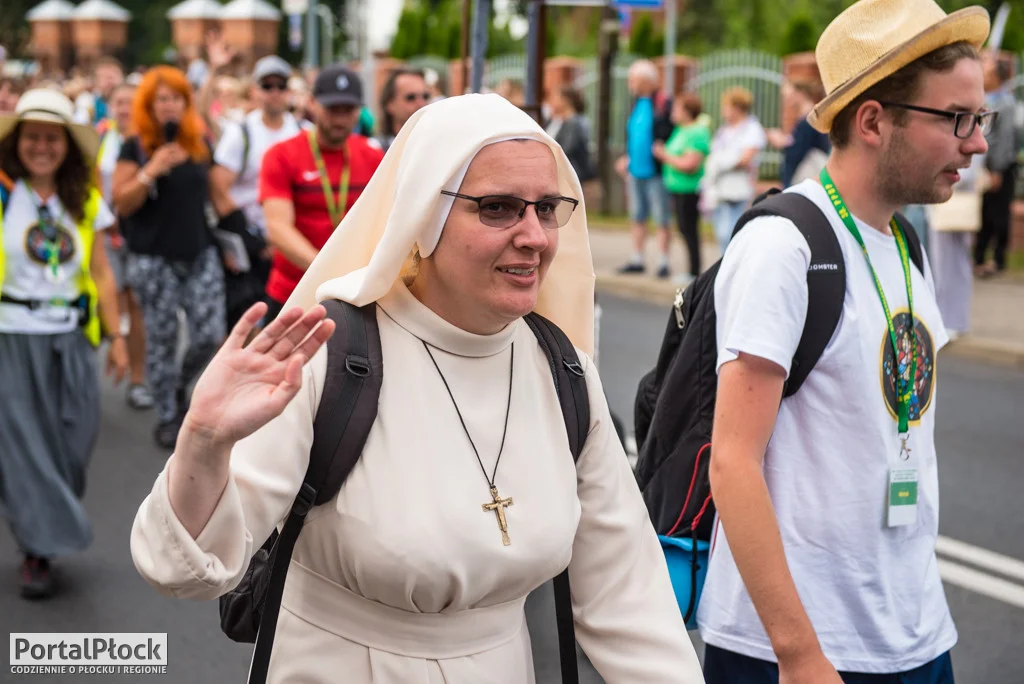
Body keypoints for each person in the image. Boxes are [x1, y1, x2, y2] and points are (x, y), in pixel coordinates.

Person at [129, 93, 705, 684]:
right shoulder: (329, 351)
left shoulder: (563, 371)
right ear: (423, 216)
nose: (535, 236)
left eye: (548, 207)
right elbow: (183, 569)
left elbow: (627, 594)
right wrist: (203, 443)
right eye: (499, 208)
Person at [698, 1, 992, 682]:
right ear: (872, 121)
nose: (976, 143)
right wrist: (799, 656)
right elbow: (732, 462)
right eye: (957, 119)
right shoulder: (783, 247)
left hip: (915, 635)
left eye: (981, 120)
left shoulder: (905, 242)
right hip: (800, 651)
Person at [0, 89, 128, 599]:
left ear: (67, 147)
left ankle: (45, 523)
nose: (42, 147)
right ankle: (37, 549)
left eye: (52, 138)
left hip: (71, 339)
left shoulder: (85, 202)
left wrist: (116, 338)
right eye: (32, 136)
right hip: (12, 337)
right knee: (24, 446)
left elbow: (101, 270)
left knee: (74, 441)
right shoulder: (5, 195)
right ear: (17, 143)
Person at [111, 66, 227, 450]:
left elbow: (215, 195)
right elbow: (121, 203)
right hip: (154, 259)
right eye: (162, 99)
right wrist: (151, 171)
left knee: (210, 335)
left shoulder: (197, 144)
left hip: (199, 252)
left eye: (177, 98)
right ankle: (167, 414)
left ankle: (178, 385)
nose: (170, 106)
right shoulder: (135, 146)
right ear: (149, 104)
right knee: (161, 339)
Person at [260, 64, 384, 322]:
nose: (339, 119)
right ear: (312, 104)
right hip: (293, 292)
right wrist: (325, 270)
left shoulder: (372, 156)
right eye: (332, 110)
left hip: (352, 293)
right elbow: (278, 228)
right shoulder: (281, 155)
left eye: (347, 110)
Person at [210, 56, 301, 329]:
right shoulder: (242, 133)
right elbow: (217, 187)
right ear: (254, 91)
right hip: (251, 246)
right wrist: (252, 240)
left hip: (290, 245)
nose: (274, 92)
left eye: (280, 86)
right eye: (267, 85)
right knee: (247, 326)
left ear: (288, 91)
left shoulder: (301, 131)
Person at [97, 81, 153, 409]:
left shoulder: (146, 142)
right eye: (119, 101)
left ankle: (137, 379)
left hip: (136, 234)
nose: (124, 108)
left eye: (130, 102)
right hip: (104, 234)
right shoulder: (101, 136)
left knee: (136, 304)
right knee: (108, 296)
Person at [617, 59, 674, 278]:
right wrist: (626, 157)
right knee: (637, 216)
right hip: (635, 171)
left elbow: (670, 132)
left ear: (646, 80)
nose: (630, 83)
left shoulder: (662, 102)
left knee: (661, 217)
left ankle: (663, 261)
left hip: (656, 171)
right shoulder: (635, 103)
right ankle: (638, 258)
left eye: (633, 79)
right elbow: (633, 134)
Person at [653, 92, 711, 285]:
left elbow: (690, 164)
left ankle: (694, 272)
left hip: (690, 190)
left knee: (690, 230)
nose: (673, 112)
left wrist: (664, 155)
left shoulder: (697, 132)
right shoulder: (680, 130)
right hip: (677, 189)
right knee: (683, 229)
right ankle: (691, 270)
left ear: (687, 112)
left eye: (677, 108)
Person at [701, 86, 766, 254]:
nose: (723, 111)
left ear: (737, 108)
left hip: (738, 189)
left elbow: (746, 159)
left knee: (733, 233)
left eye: (726, 106)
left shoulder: (752, 129)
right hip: (720, 189)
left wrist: (722, 162)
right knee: (721, 234)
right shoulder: (724, 130)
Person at [974, 51, 1018, 277]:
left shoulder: (1005, 103)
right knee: (986, 213)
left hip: (999, 168)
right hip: (988, 166)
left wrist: (997, 169)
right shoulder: (989, 99)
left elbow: (1004, 140)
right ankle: (980, 258)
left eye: (988, 69)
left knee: (998, 214)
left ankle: (996, 260)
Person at [766, 80, 831, 188]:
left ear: (799, 94)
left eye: (789, 95)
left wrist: (782, 142)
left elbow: (798, 151)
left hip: (804, 177)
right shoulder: (807, 118)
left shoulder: (809, 120)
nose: (786, 99)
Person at [546, 85, 594, 185]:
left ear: (565, 100)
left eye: (554, 97)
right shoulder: (555, 120)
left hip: (570, 176)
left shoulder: (576, 123)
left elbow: (567, 149)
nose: (550, 101)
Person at [375, 67, 430, 154]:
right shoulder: (375, 149)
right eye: (411, 97)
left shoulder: (436, 147)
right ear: (389, 104)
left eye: (425, 96)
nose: (421, 103)